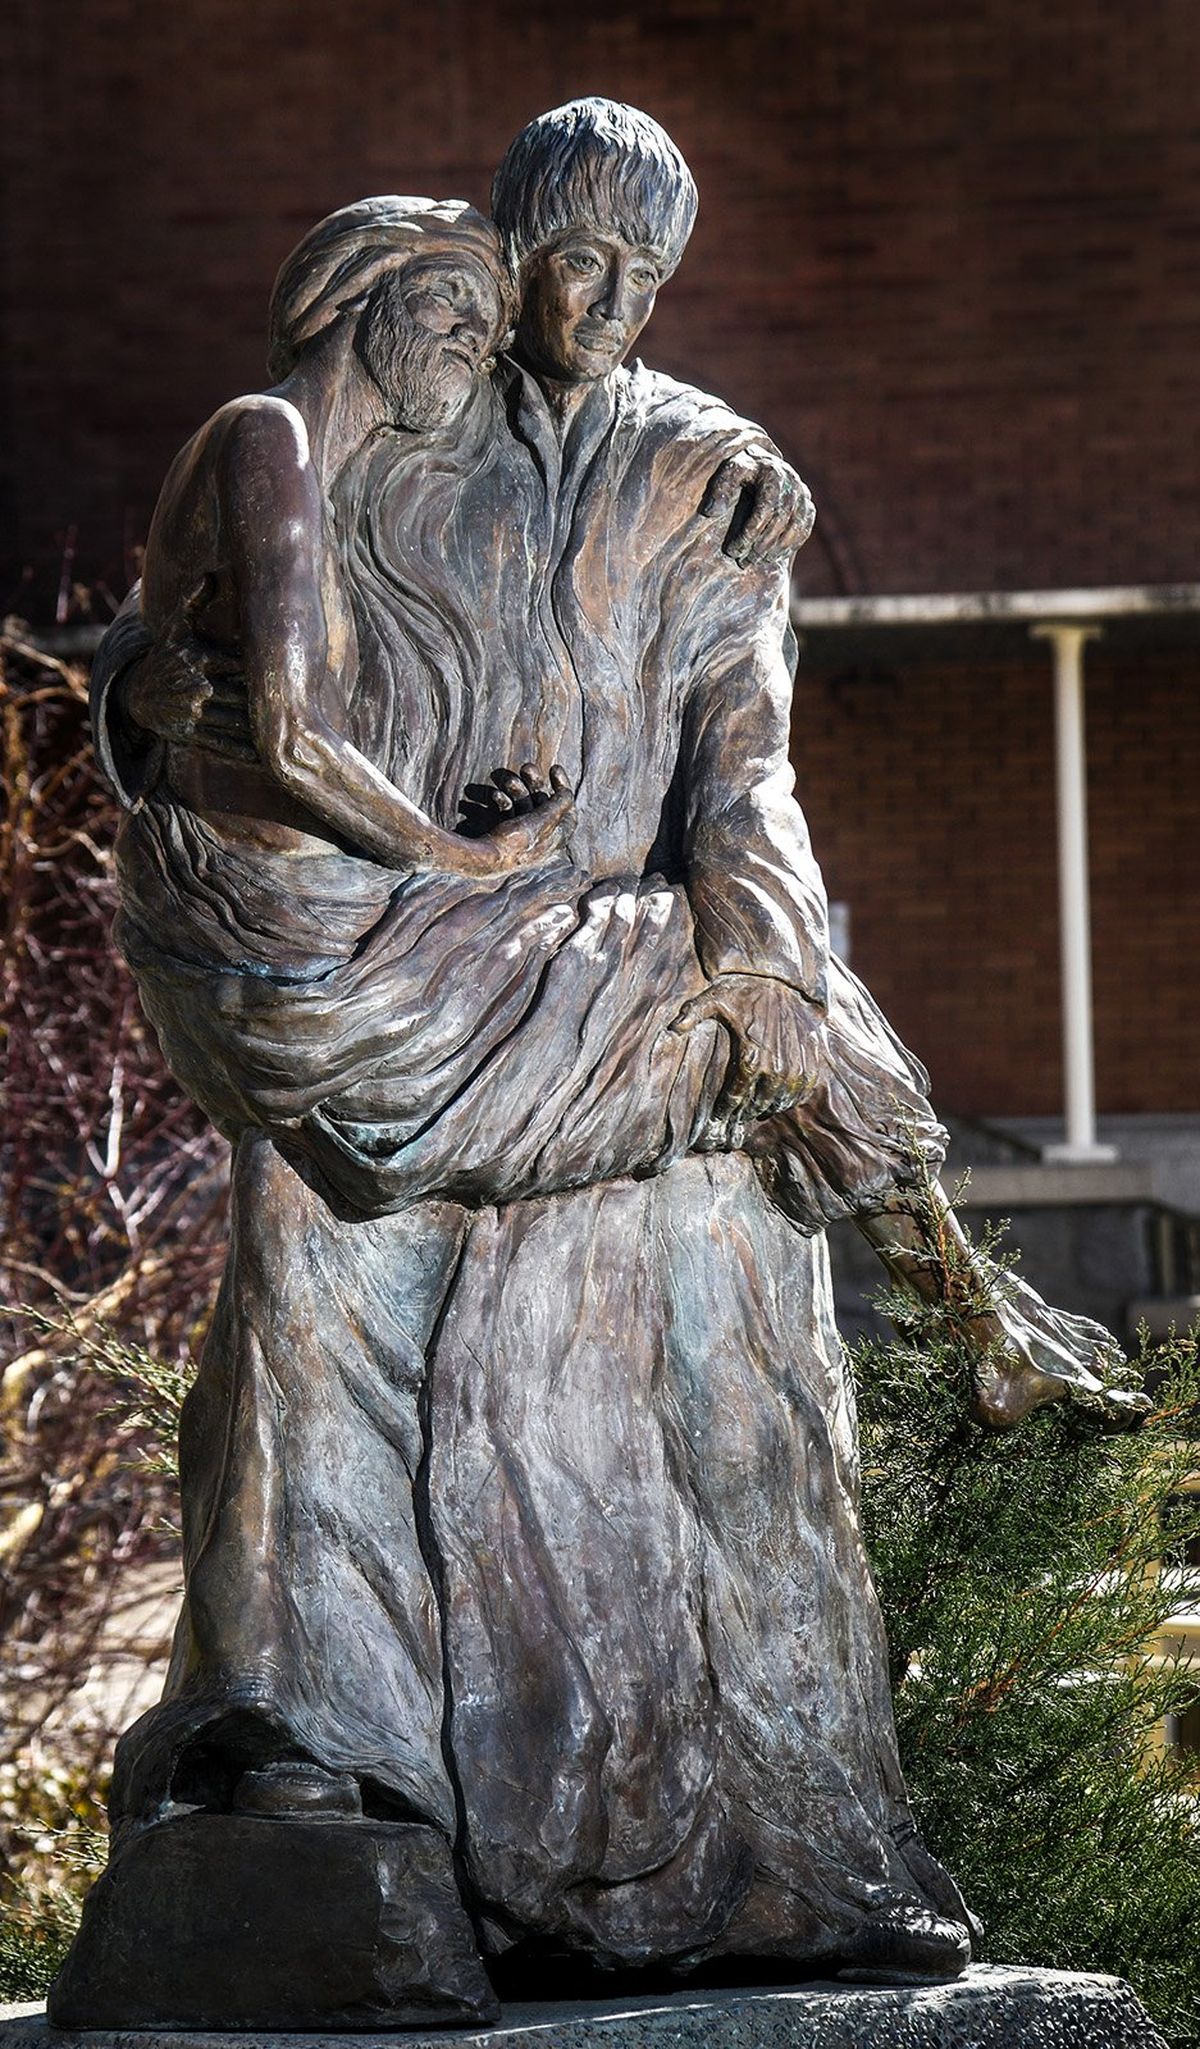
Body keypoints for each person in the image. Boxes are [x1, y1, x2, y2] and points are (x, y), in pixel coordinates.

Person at [81, 107, 1139, 2019]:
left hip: (630, 1002)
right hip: (398, 974)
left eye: (648, 277)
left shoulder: (709, 479)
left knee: (719, 1410)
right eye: (578, 261)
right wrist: (147, 710)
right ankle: (318, 1761)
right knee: (322, 1316)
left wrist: (769, 961)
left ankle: (777, 1860)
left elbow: (747, 770)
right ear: (504, 248)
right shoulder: (401, 408)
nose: (607, 306)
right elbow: (206, 649)